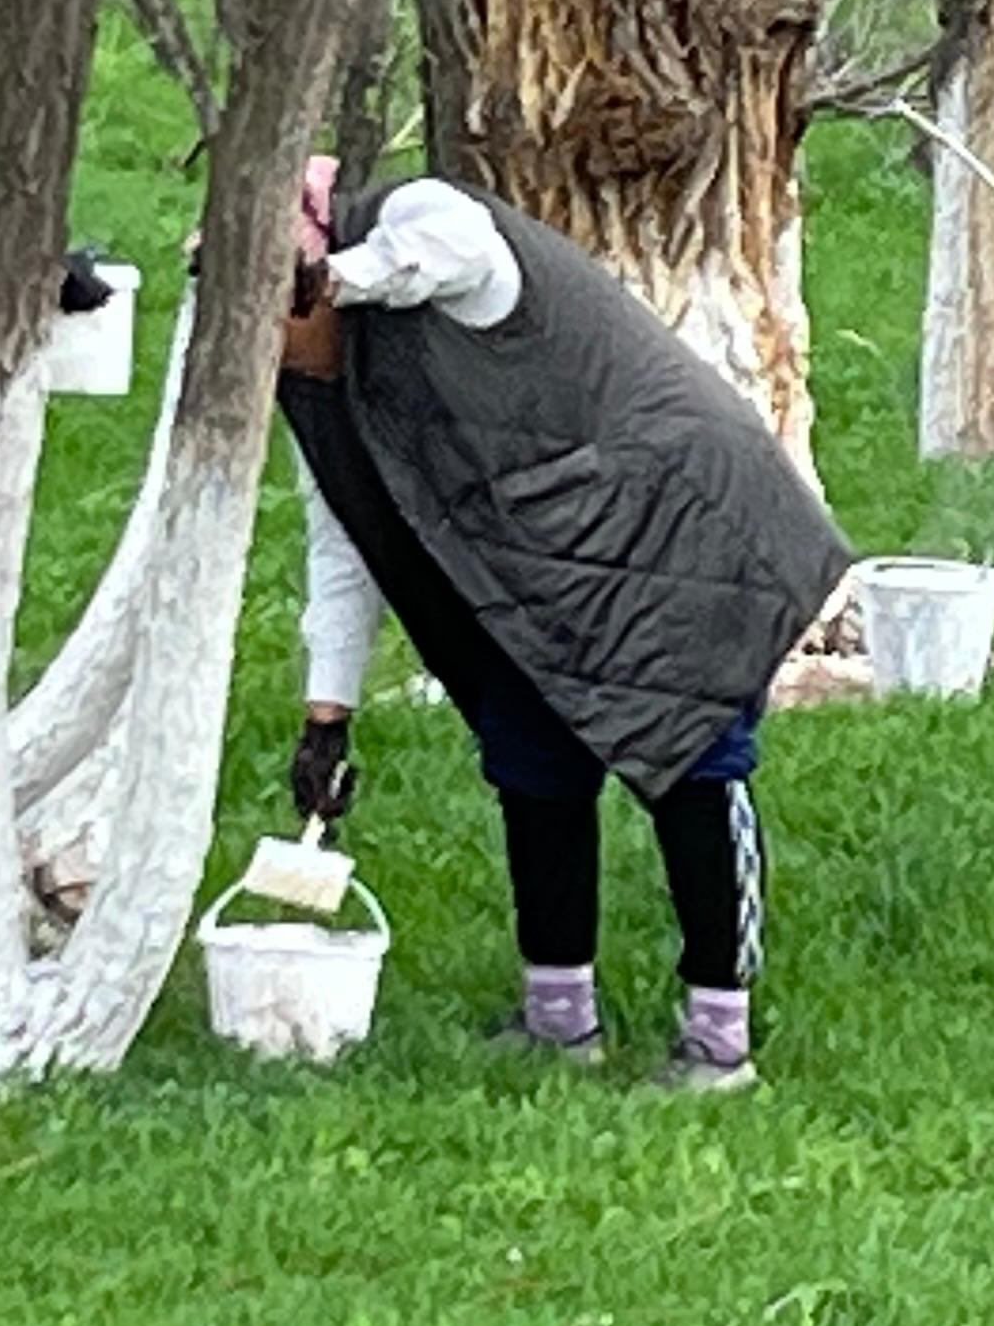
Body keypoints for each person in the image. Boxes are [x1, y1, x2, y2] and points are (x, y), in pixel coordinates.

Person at [277, 166, 850, 1093]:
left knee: (689, 751)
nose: (273, 347)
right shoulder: (311, 386)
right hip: (533, 557)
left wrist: (336, 280)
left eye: (274, 314)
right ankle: (558, 1019)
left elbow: (451, 251)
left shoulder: (412, 222)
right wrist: (326, 715)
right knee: (531, 754)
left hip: (671, 509)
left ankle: (718, 1035)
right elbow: (345, 547)